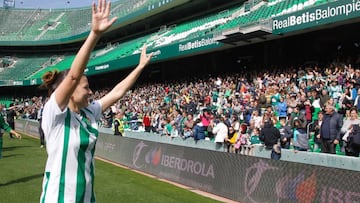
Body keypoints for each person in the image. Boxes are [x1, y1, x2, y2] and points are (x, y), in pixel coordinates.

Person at [39, 1, 152, 202]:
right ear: (71, 91)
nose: (91, 92)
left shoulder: (90, 112)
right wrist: (95, 34)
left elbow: (118, 92)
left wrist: (140, 66)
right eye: (86, 88)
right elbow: (74, 76)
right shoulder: (54, 114)